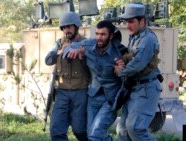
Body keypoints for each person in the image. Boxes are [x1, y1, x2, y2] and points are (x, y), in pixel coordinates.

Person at [64, 20, 125, 141]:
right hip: (93, 97)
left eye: (103, 34)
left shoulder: (119, 52)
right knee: (91, 135)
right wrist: (72, 51)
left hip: (110, 100)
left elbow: (130, 72)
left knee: (95, 134)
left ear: (111, 36)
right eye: (97, 34)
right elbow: (67, 47)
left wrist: (122, 69)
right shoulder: (88, 45)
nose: (99, 38)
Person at [114, 3, 162, 141]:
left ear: (142, 21)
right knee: (123, 131)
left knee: (136, 128)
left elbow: (137, 64)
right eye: (126, 21)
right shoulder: (135, 36)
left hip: (146, 89)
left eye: (131, 21)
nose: (128, 25)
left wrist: (120, 71)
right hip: (134, 87)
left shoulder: (147, 39)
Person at [45, 12, 89, 141]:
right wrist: (59, 51)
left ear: (76, 27)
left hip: (81, 91)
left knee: (80, 130)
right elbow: (48, 60)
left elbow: (95, 65)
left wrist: (81, 53)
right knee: (56, 130)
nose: (66, 30)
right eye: (64, 28)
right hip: (62, 92)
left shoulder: (86, 43)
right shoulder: (59, 43)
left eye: (69, 27)